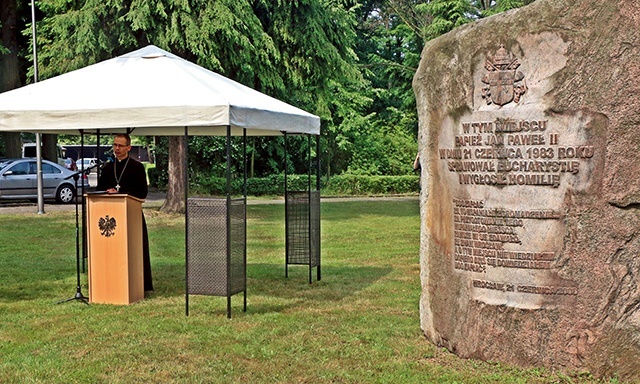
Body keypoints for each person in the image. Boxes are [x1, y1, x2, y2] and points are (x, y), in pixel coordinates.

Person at [97, 134, 153, 293]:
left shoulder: (137, 167)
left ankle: (140, 283)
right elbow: (99, 190)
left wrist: (121, 193)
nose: (117, 149)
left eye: (120, 145)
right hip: (110, 214)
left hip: (131, 215)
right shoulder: (108, 168)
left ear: (128, 147)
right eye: (115, 145)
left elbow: (142, 192)